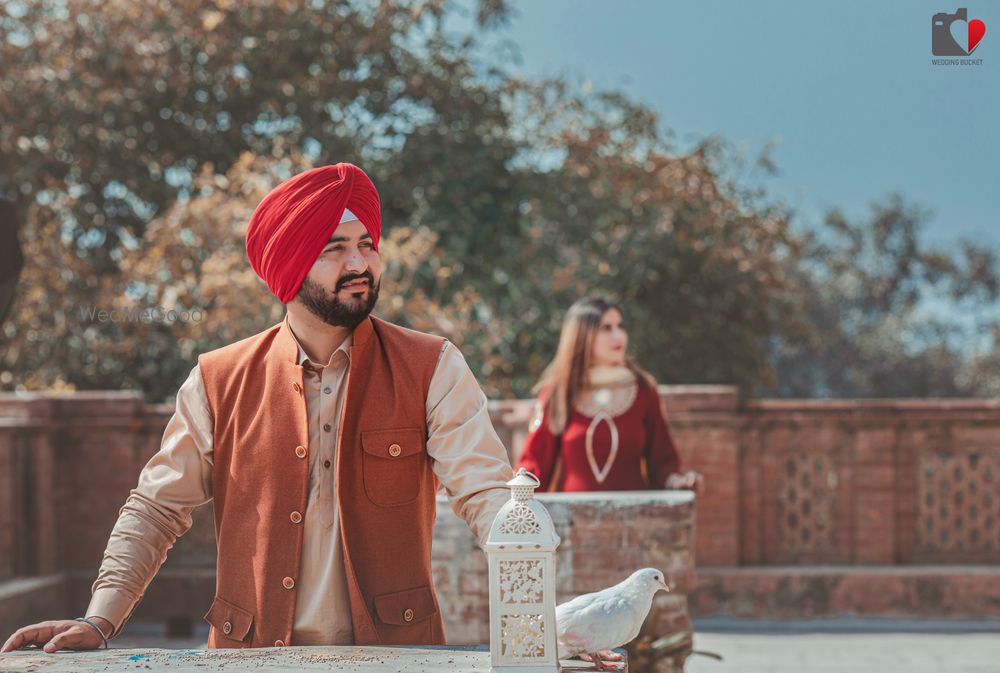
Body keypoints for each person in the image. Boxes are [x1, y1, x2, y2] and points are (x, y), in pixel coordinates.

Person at [2, 163, 514, 653]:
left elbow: (485, 490)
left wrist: (530, 591)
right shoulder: (218, 380)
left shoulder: (433, 366)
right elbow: (157, 508)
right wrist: (99, 618)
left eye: (367, 245)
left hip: (400, 655)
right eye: (335, 249)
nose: (359, 264)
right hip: (248, 657)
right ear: (289, 265)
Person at [517, 297, 702, 493]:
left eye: (620, 326)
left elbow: (662, 459)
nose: (619, 336)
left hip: (635, 516)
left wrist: (676, 481)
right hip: (569, 519)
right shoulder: (558, 392)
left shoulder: (643, 391)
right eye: (606, 328)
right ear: (582, 336)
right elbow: (534, 465)